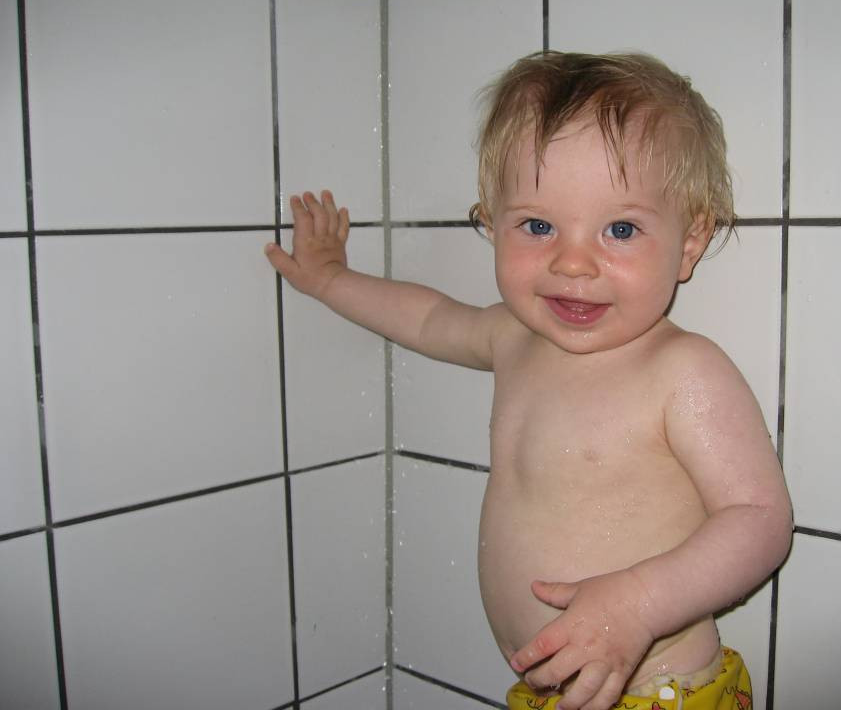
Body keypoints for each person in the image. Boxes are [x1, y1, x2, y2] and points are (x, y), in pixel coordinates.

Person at [264, 51, 792, 710]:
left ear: (688, 243)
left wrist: (638, 605)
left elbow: (760, 519)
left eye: (620, 229)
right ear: (492, 224)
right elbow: (427, 319)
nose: (572, 263)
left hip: (655, 689)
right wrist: (330, 280)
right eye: (538, 226)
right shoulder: (514, 338)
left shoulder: (682, 371)